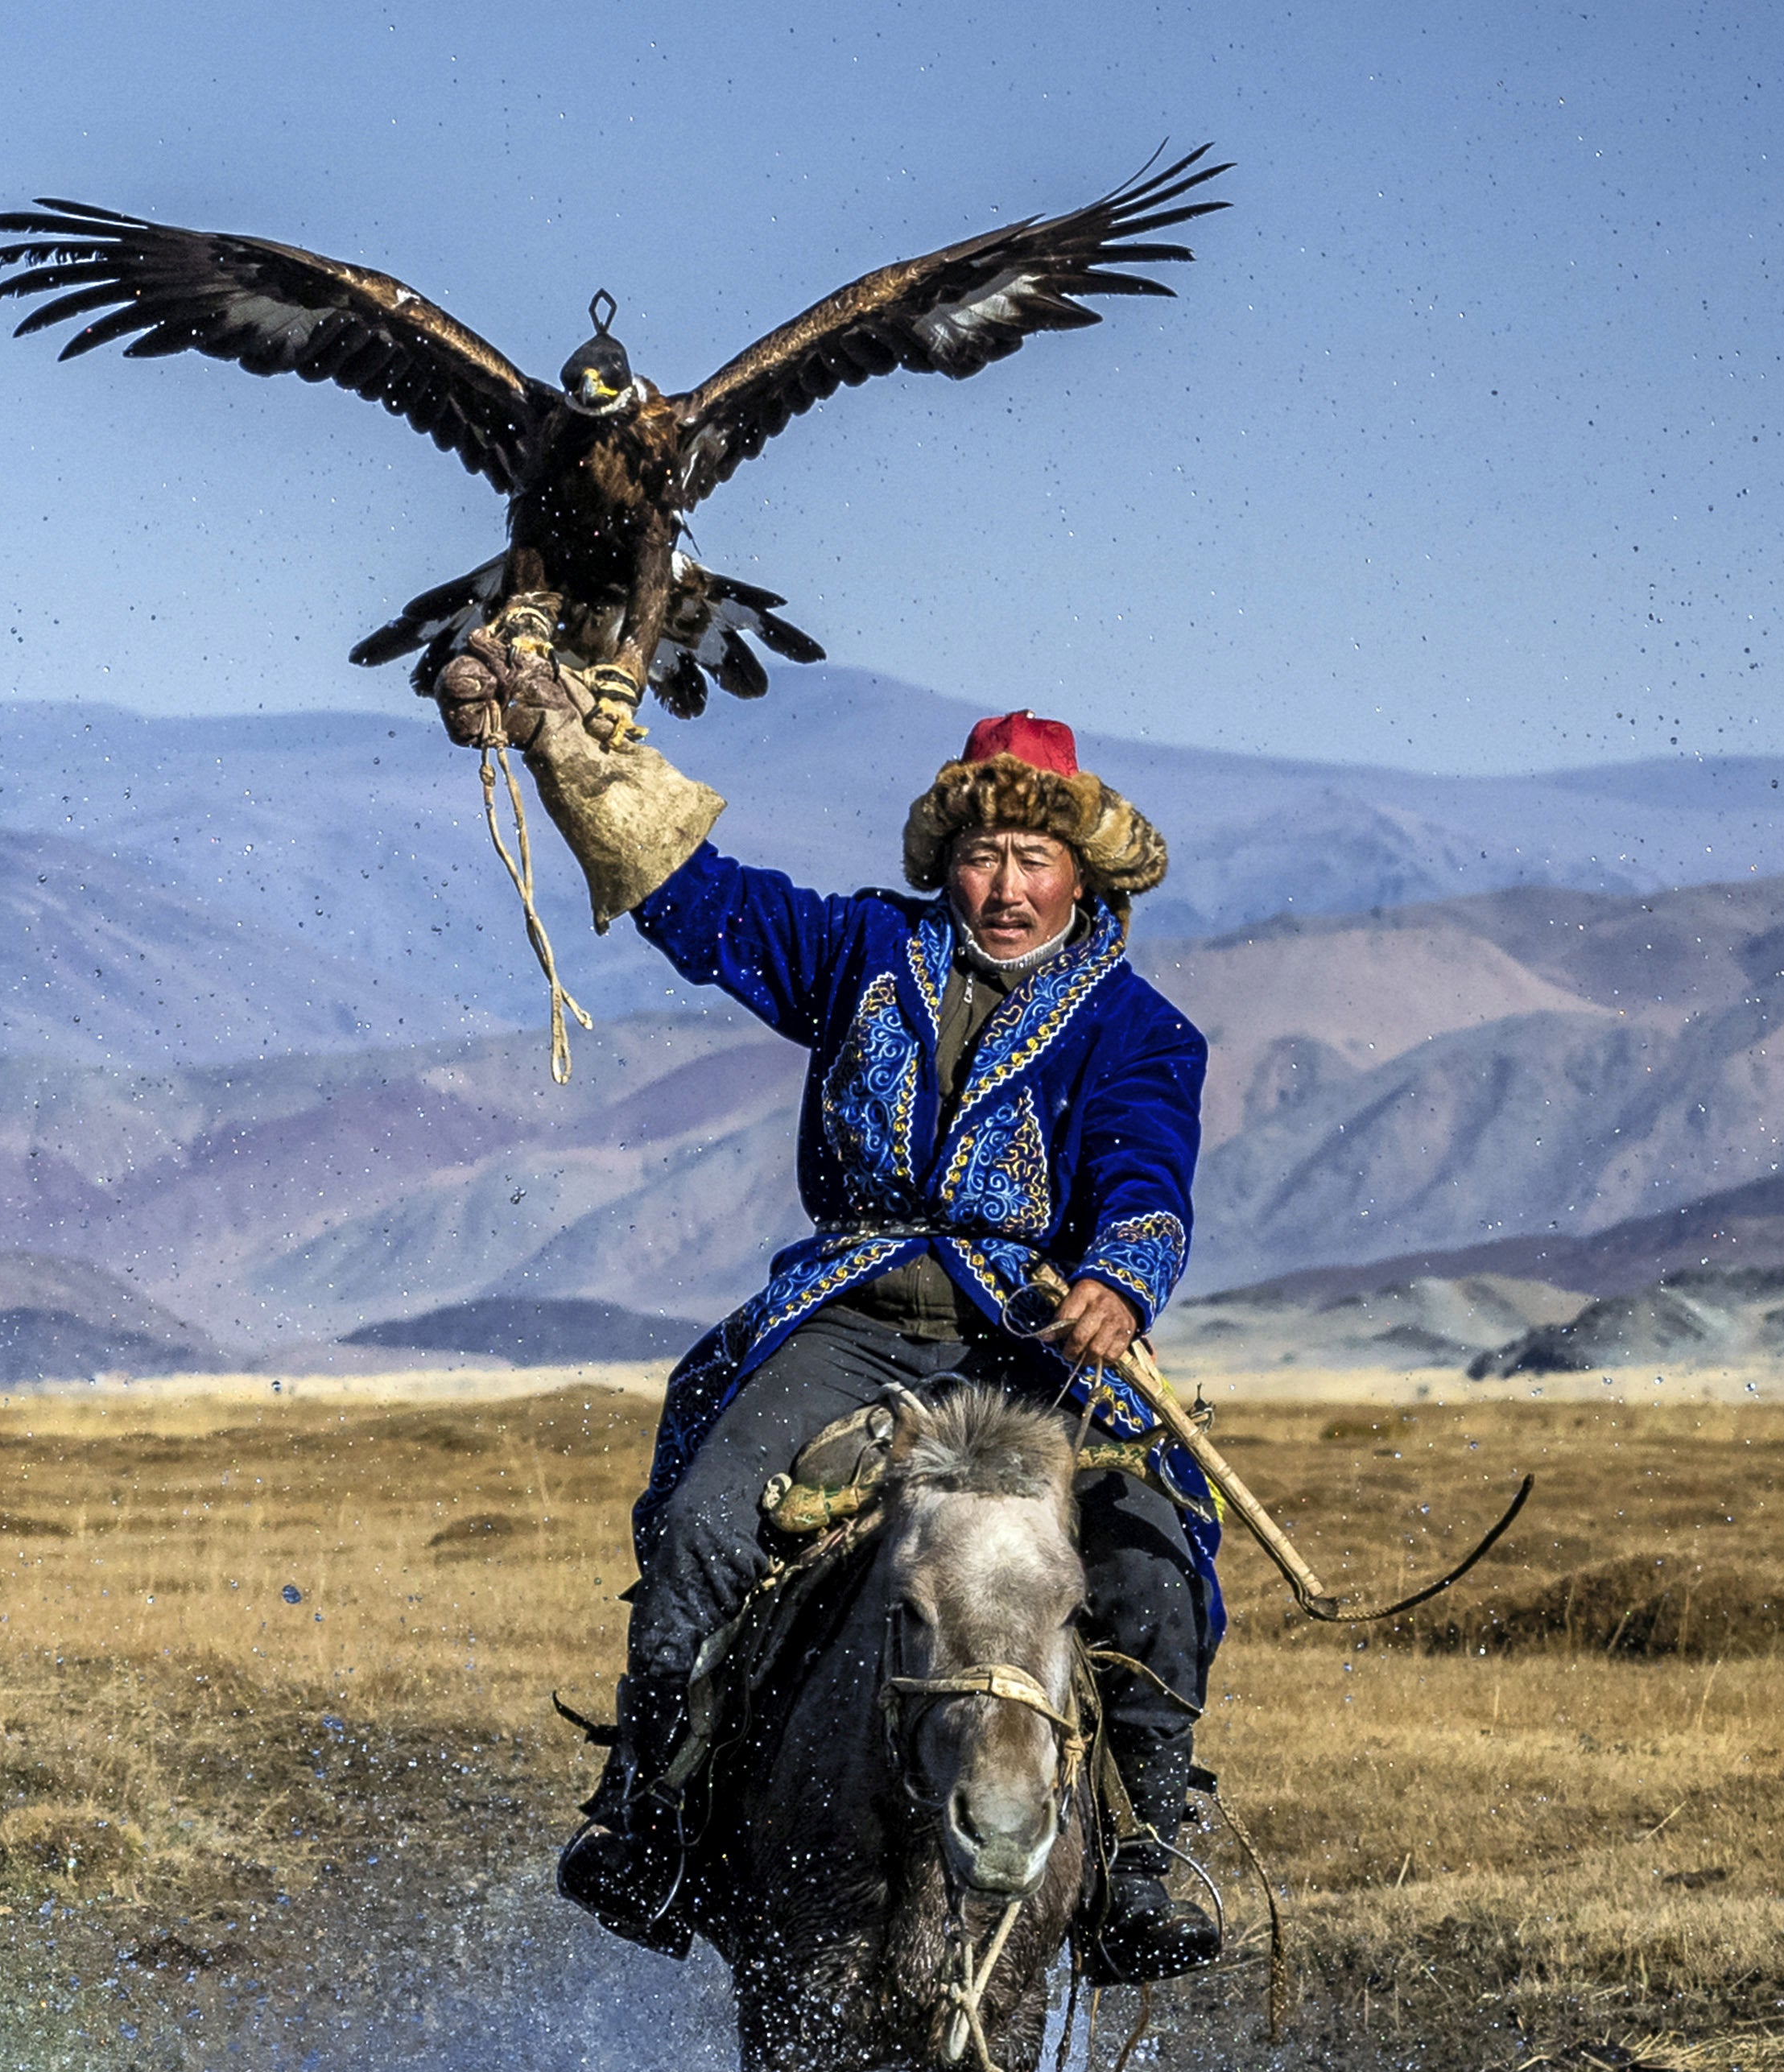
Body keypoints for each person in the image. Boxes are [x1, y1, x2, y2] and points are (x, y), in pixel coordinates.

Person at [440, 613, 1229, 1979]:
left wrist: (1117, 1281)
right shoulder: (864, 949)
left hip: (1028, 1347)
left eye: (1033, 859)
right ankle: (650, 1811)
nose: (1001, 885)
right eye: (982, 854)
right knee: (699, 1520)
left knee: (1150, 1561)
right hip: (856, 1322)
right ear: (950, 860)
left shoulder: (1138, 1030)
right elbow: (698, 901)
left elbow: (1147, 1177)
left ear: (1083, 874)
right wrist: (562, 741)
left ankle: (1150, 1855)